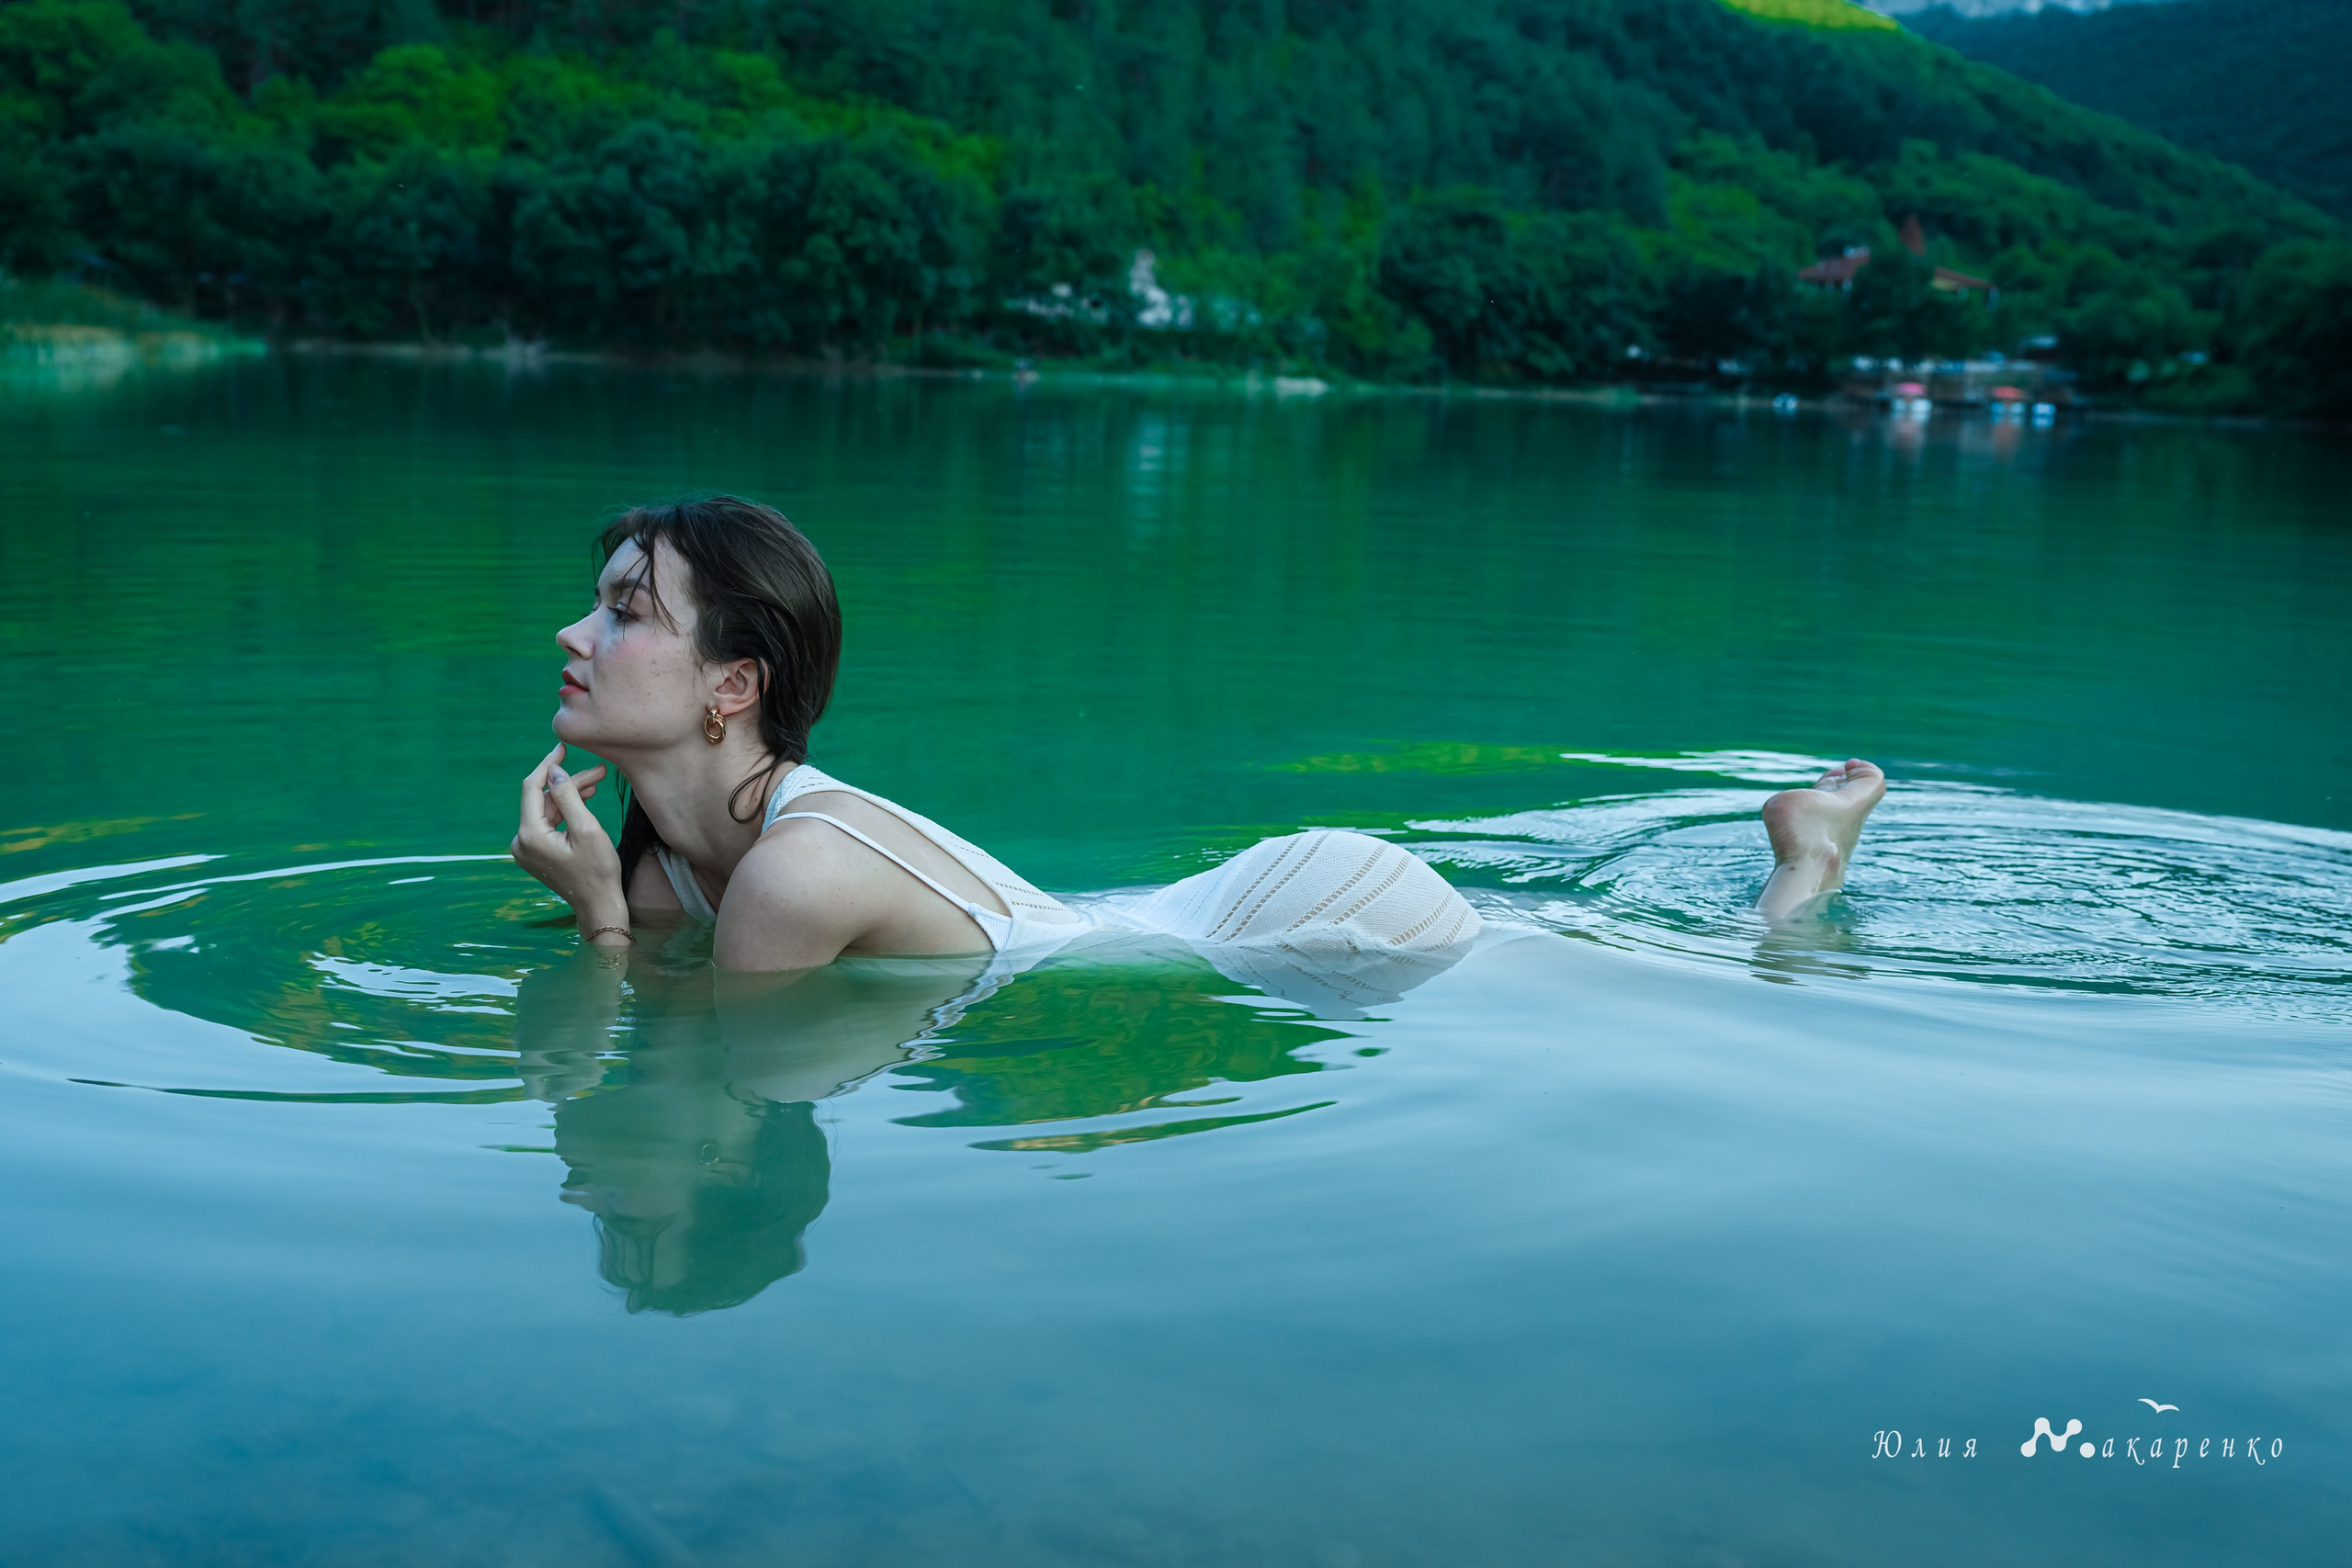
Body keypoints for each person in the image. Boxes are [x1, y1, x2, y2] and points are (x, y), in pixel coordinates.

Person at [509, 496, 1877, 983]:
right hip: (1201, 922)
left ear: (732, 687)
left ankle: (1804, 871)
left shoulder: (793, 878)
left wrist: (601, 936)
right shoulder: (666, 865)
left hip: (1305, 920)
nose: (575, 635)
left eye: (624, 613)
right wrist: (608, 913)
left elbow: (712, 1062)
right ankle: (1799, 872)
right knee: (1607, 961)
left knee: (1700, 978)